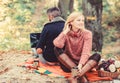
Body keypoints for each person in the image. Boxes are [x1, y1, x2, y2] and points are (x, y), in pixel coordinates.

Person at [53, 12, 101, 83]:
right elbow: (57, 44)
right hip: (68, 65)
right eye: (78, 20)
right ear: (71, 22)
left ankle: (75, 76)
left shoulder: (87, 34)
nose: (81, 22)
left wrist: (80, 65)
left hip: (83, 65)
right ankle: (81, 77)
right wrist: (65, 32)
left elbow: (86, 52)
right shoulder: (66, 33)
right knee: (56, 48)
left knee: (97, 55)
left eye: (82, 20)